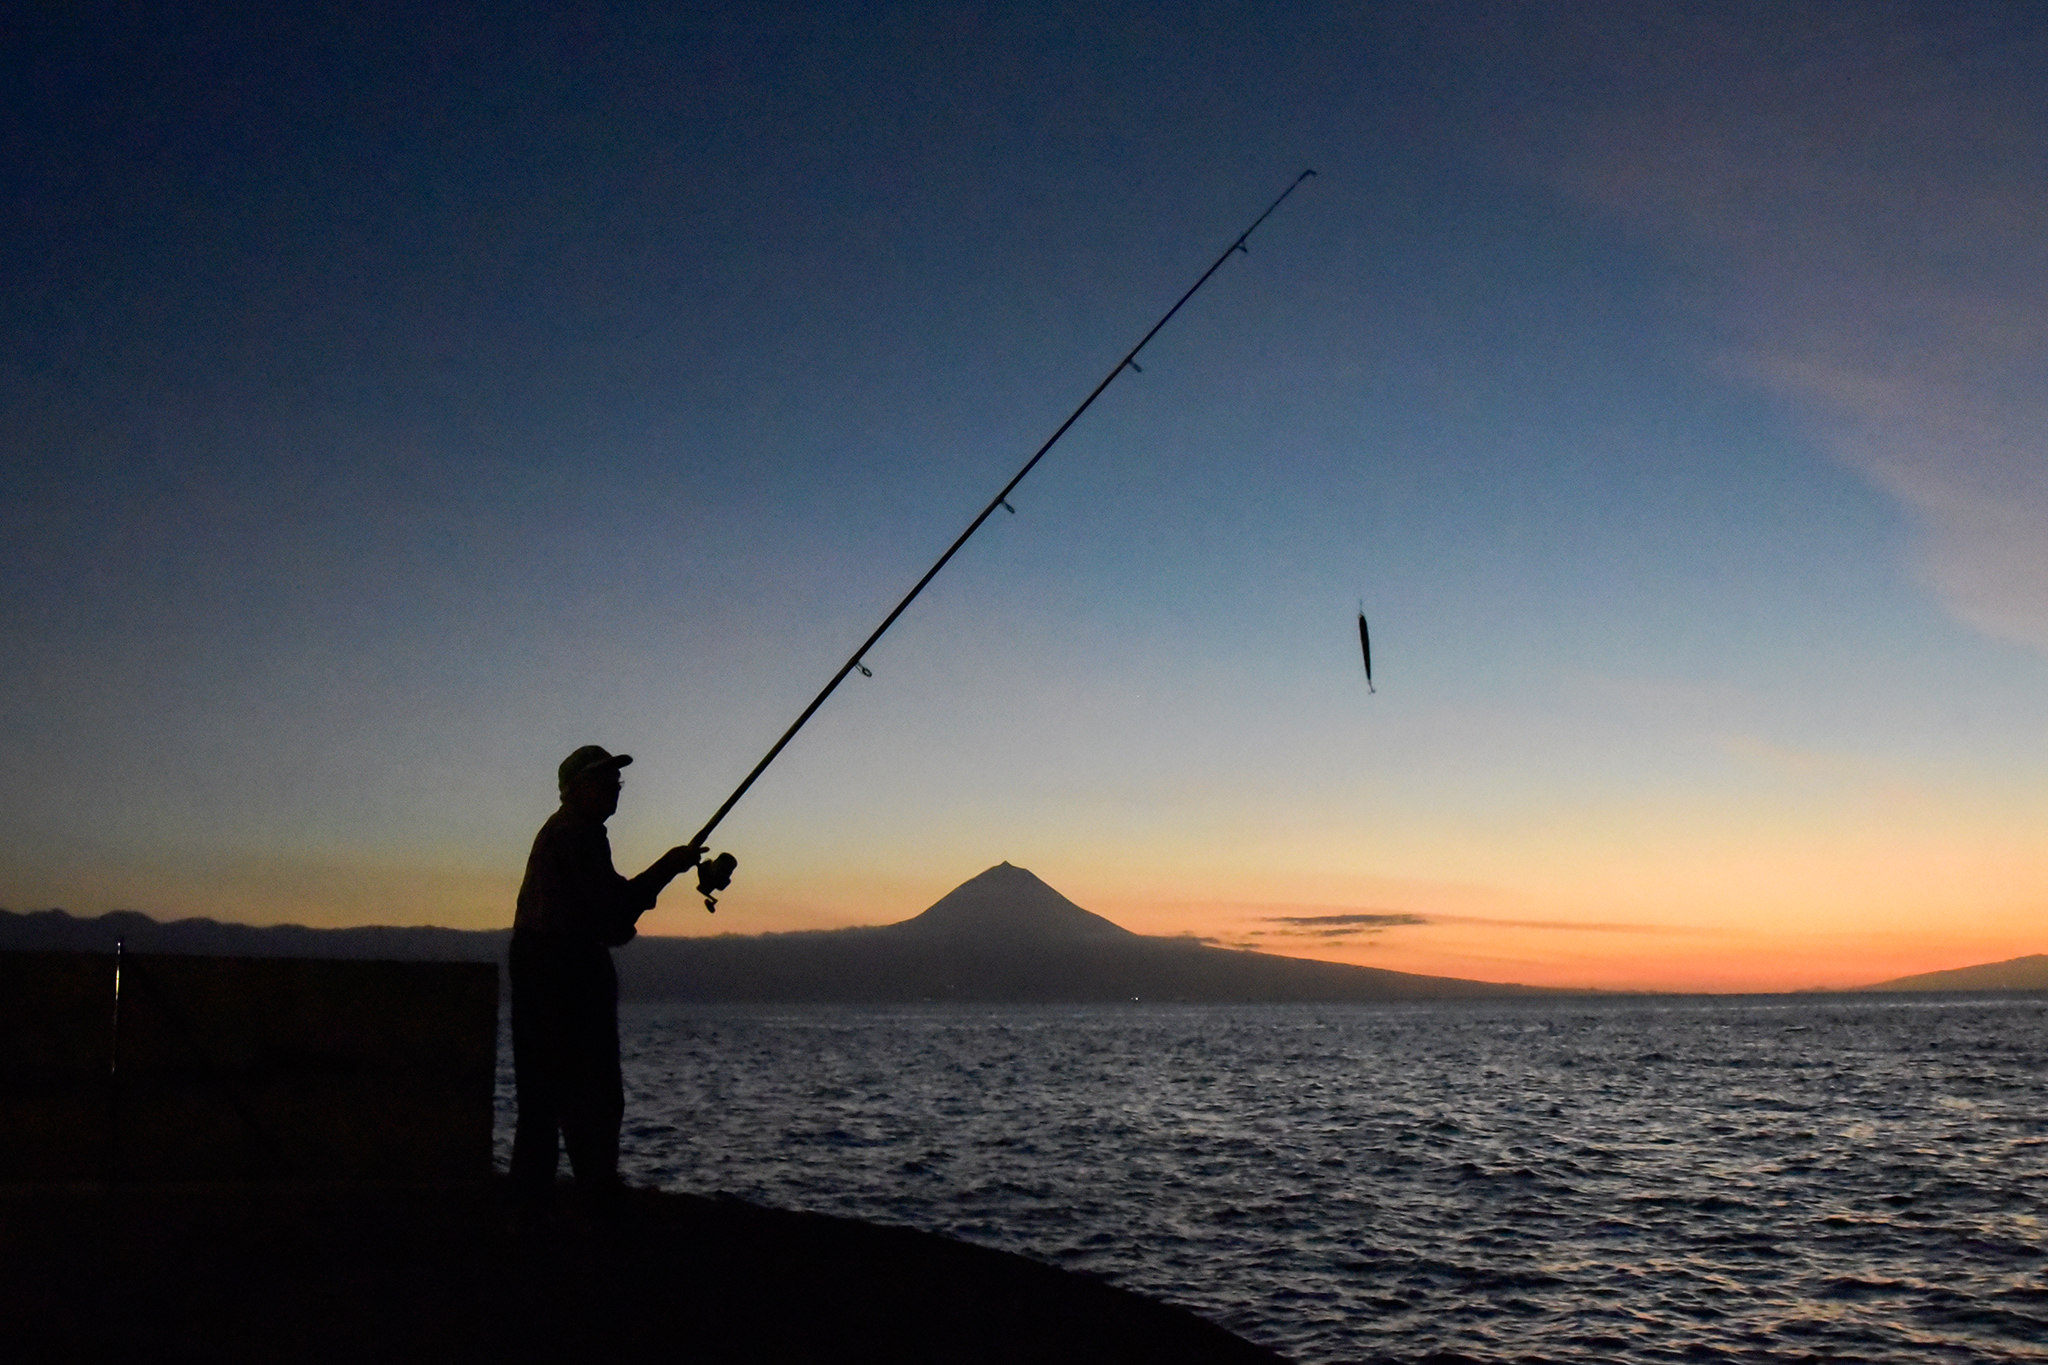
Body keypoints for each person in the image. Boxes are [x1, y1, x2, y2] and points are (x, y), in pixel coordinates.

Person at [510, 744, 702, 1217]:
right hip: (564, 977)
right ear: (574, 789)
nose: (615, 789)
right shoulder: (577, 834)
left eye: (616, 781)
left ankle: (528, 1217)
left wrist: (664, 871)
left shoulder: (570, 834)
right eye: (604, 780)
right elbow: (612, 912)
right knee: (591, 1100)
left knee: (542, 1103)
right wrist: (667, 868)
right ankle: (596, 1217)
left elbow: (610, 908)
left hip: (542, 970)